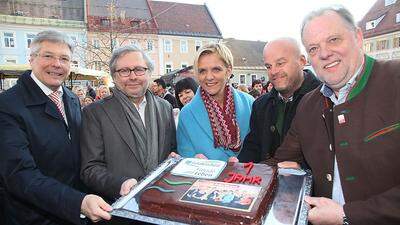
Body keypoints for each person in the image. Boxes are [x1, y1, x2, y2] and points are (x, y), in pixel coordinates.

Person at [268, 6, 400, 225]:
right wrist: (232, 170)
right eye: (313, 48)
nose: (324, 53)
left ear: (358, 37)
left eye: (334, 40)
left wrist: (347, 215)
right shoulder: (308, 105)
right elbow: (283, 160)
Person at [0, 30, 111, 225]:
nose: (57, 64)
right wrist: (77, 202)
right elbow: (19, 174)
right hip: (31, 216)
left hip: (74, 213)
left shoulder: (71, 98)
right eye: (48, 56)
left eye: (64, 58)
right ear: (32, 59)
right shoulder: (7, 106)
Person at [80, 45, 177, 202]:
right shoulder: (94, 112)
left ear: (148, 73)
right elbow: (90, 169)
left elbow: (172, 151)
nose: (133, 77)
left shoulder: (164, 107)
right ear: (114, 76)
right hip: (119, 208)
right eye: (124, 71)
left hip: (160, 201)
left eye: (139, 69)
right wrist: (120, 184)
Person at [239, 37, 320, 163]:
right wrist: (238, 168)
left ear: (302, 61)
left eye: (280, 63)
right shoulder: (260, 105)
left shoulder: (324, 99)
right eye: (268, 66)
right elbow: (253, 148)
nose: (273, 71)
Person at [177, 43, 254, 161]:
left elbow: (261, 147)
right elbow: (185, 156)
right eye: (202, 71)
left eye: (216, 69)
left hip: (247, 176)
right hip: (206, 179)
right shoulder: (186, 114)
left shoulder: (250, 103)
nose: (209, 77)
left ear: (228, 71)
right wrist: (193, 160)